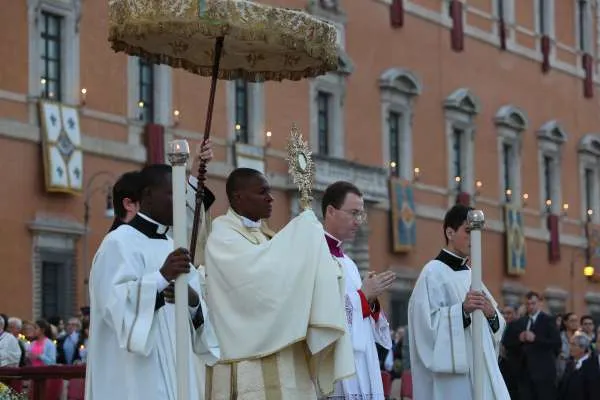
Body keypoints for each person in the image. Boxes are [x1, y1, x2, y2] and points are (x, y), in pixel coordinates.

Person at [204, 168, 354, 400]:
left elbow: (287, 278)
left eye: (270, 191)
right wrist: (302, 231)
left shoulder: (267, 237)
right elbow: (254, 281)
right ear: (238, 197)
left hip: (288, 361)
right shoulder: (222, 236)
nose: (270, 198)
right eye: (262, 192)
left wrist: (325, 269)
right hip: (247, 362)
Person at [85, 164, 216, 400]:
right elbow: (112, 307)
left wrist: (193, 300)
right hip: (136, 375)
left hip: (178, 368)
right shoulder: (118, 243)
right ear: (147, 195)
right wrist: (161, 277)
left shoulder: (172, 245)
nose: (178, 202)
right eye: (171, 193)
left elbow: (197, 308)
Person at [408, 204, 509, 400]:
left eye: (478, 233)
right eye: (469, 232)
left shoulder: (471, 274)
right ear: (450, 232)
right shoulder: (432, 273)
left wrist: (491, 314)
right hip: (454, 379)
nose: (474, 239)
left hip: (481, 368)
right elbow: (424, 329)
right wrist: (461, 311)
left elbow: (496, 326)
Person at [320, 181, 394, 399]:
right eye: (354, 213)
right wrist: (363, 296)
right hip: (336, 365)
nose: (358, 222)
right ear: (331, 211)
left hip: (362, 360)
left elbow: (360, 313)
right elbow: (320, 313)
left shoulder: (350, 263)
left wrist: (371, 302)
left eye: (361, 215)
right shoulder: (316, 256)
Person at [502, 291, 561, 400]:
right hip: (524, 373)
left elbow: (556, 342)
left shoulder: (548, 320)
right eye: (528, 304)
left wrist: (535, 339)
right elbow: (507, 342)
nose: (531, 306)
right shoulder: (520, 322)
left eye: (533, 303)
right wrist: (520, 339)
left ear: (540, 303)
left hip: (543, 373)